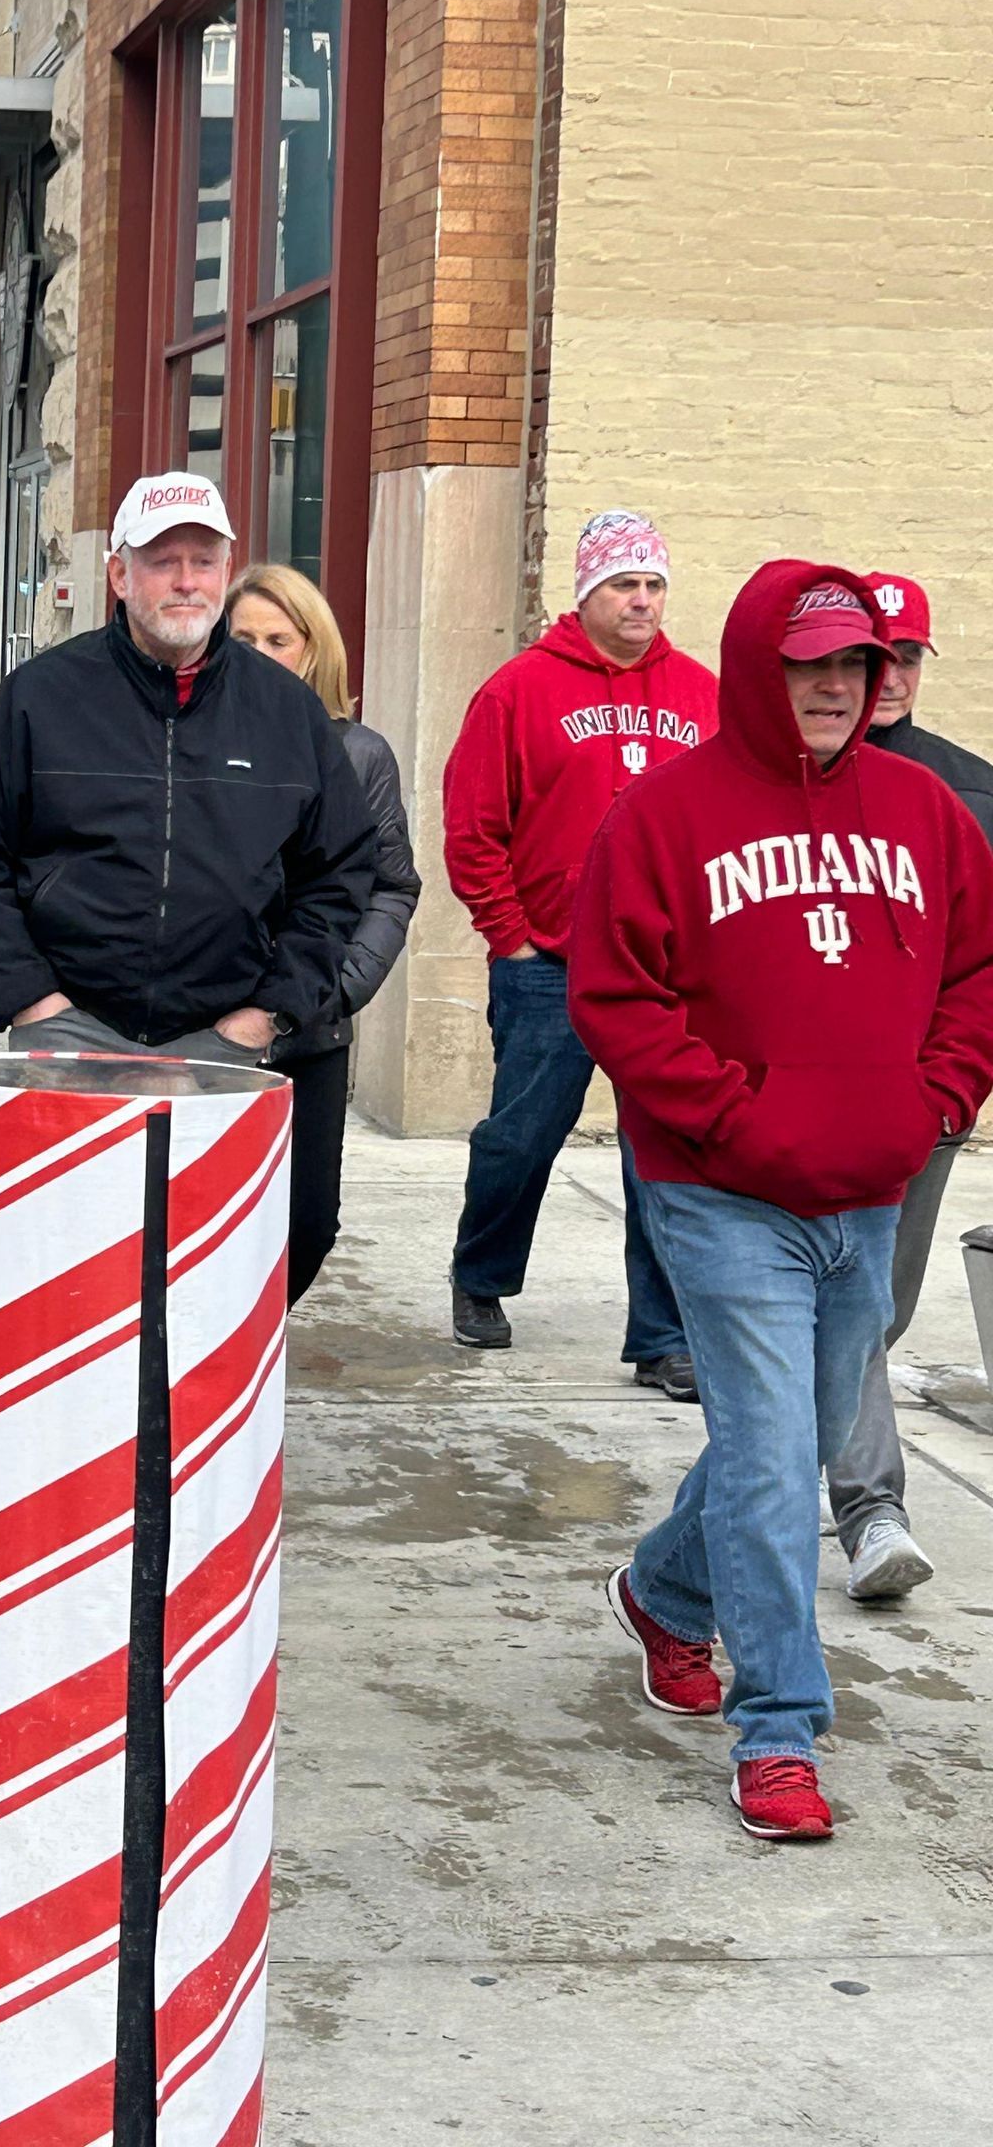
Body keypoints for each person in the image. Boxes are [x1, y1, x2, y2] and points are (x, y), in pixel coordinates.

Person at [572, 562, 993, 1839]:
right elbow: (617, 996)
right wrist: (738, 1115)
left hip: (868, 1189)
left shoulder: (927, 813)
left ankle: (663, 1592)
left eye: (857, 663)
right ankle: (779, 1730)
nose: (835, 685)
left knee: (794, 1443)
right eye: (810, 662)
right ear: (763, 664)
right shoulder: (663, 813)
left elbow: (977, 971)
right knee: (769, 1458)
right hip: (721, 1191)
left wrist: (936, 1100)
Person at [0, 472, 376, 1115]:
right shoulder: (40, 698)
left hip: (227, 1046)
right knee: (75, 1187)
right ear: (119, 575)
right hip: (69, 1036)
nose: (186, 581)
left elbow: (339, 872)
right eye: (163, 562)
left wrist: (269, 1013)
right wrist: (29, 999)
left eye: (204, 561)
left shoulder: (287, 711)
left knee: (209, 1189)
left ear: (226, 571)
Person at [442, 508, 718, 1387]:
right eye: (623, 584)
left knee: (663, 1154)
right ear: (587, 592)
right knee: (522, 1136)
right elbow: (473, 828)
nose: (642, 600)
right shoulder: (518, 692)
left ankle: (664, 1338)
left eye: (653, 584)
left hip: (662, 974)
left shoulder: (703, 696)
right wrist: (511, 938)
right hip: (549, 969)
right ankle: (481, 1277)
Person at [818, 571, 993, 1601]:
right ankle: (872, 1510)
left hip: (919, 1103)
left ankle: (806, 1474)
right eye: (869, 656)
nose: (887, 677)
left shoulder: (973, 794)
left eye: (907, 657)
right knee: (843, 1307)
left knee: (871, 1312)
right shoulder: (780, 784)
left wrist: (954, 1086)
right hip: (798, 1098)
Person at [227, 561, 420, 1300]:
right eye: (242, 639)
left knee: (306, 1224)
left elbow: (391, 885)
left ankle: (246, 1341)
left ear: (314, 649)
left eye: (279, 640)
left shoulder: (359, 754)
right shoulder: (188, 743)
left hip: (310, 1027)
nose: (259, 655)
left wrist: (339, 988)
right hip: (201, 1026)